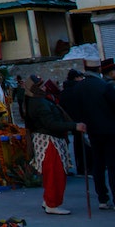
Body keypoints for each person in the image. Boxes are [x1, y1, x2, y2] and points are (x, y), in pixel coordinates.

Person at [23, 75, 87, 215]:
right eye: (41, 85)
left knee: (53, 172)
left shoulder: (38, 100)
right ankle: (52, 203)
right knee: (54, 173)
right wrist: (74, 126)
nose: (45, 87)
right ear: (35, 88)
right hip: (48, 141)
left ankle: (49, 200)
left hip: (49, 139)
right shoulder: (39, 103)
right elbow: (50, 124)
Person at [64, 65, 115, 209]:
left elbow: (75, 109)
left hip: (92, 130)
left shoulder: (78, 89)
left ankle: (102, 198)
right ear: (98, 71)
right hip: (110, 130)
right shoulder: (104, 86)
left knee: (98, 164)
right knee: (112, 165)